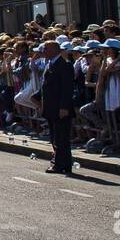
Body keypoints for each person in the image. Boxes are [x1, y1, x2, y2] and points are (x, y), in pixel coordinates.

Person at [41, 38, 74, 175]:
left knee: (61, 138)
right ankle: (63, 164)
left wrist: (64, 107)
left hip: (60, 108)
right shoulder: (50, 64)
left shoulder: (64, 65)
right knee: (55, 137)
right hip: (50, 107)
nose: (44, 52)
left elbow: (67, 88)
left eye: (46, 49)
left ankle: (59, 165)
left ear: (54, 50)